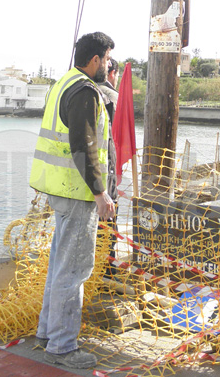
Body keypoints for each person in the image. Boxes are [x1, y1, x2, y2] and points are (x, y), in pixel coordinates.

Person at [29, 32, 116, 369]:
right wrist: (100, 192)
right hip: (77, 193)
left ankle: (47, 334)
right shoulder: (84, 91)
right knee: (74, 270)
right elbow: (84, 147)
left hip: (61, 190)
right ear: (95, 60)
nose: (107, 66)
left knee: (59, 266)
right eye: (106, 60)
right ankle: (62, 347)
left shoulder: (63, 83)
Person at [98, 58, 120, 276]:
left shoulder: (79, 90)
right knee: (108, 215)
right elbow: (117, 138)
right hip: (106, 170)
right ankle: (106, 270)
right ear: (113, 73)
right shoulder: (111, 97)